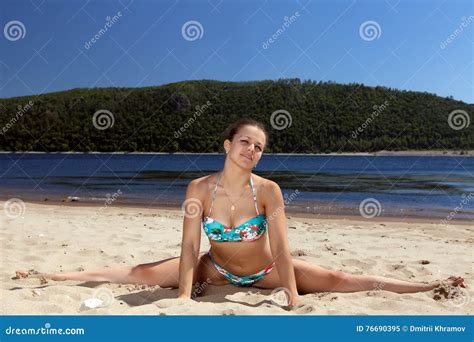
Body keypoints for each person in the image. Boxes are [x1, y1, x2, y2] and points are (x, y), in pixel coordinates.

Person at [14, 118, 465, 309]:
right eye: (246, 142)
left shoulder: (269, 191)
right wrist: (184, 297)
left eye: (260, 147)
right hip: (216, 269)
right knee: (137, 273)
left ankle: (430, 284)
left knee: (343, 280)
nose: (253, 150)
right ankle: (53, 277)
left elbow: (284, 249)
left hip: (267, 271)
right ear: (227, 145)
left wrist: (291, 295)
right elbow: (190, 247)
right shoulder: (197, 189)